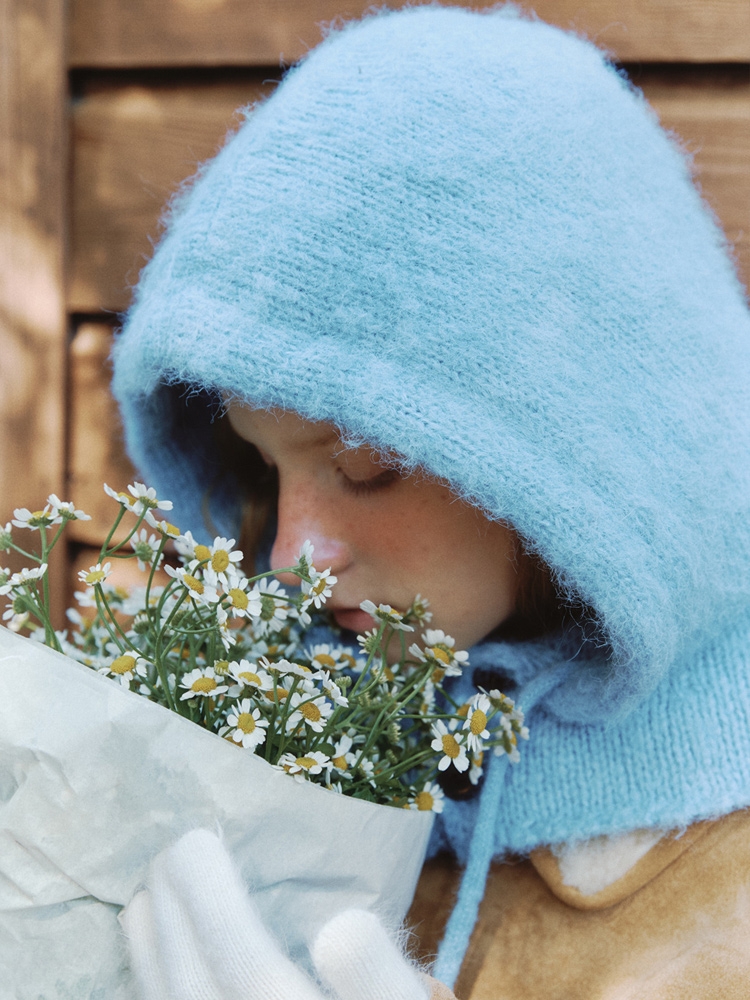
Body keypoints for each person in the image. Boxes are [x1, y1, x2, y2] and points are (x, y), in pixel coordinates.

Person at [112, 5, 750, 997]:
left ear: (571, 438)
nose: (289, 561)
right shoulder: (258, 748)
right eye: (263, 471)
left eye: (364, 464)